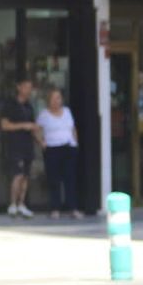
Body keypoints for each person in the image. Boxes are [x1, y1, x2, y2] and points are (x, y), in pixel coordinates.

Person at [35, 88, 81, 218]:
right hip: (52, 149)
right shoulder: (44, 114)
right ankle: (55, 208)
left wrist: (75, 143)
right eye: (54, 98)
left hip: (68, 147)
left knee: (70, 179)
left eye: (58, 98)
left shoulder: (67, 112)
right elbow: (36, 130)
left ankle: (73, 208)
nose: (56, 101)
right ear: (48, 101)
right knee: (54, 179)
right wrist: (42, 143)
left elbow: (72, 128)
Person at [0, 77, 37, 219]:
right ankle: (12, 204)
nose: (29, 90)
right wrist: (23, 125)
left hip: (28, 145)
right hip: (14, 145)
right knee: (17, 175)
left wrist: (40, 140)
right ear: (19, 87)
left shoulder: (29, 106)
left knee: (25, 176)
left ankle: (22, 204)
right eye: (26, 86)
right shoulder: (10, 105)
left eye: (30, 87)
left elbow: (32, 127)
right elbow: (4, 125)